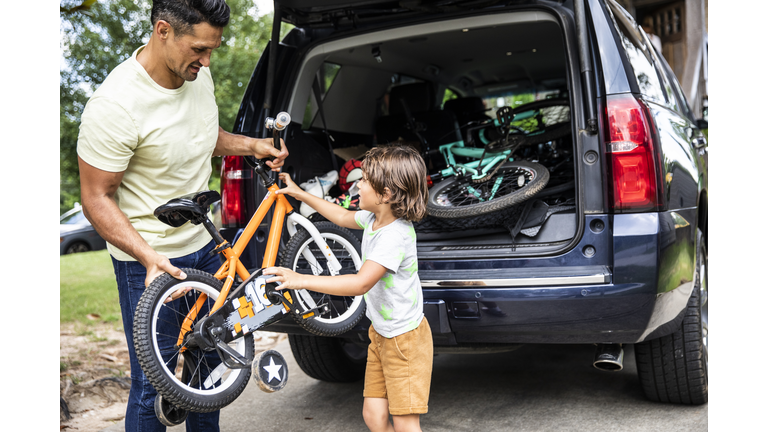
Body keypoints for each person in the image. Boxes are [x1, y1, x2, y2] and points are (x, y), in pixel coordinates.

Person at [76, 1, 288, 430]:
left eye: (212, 50)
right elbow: (96, 198)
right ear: (163, 31)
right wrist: (148, 257)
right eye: (199, 49)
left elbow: (204, 136)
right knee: (156, 386)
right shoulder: (115, 105)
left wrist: (254, 146)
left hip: (206, 248)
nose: (207, 61)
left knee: (209, 374)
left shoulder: (197, 73)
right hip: (148, 261)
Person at [264, 145, 433, 432]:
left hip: (405, 341)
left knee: (405, 425)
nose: (357, 184)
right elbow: (342, 216)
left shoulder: (394, 236)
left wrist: (300, 279)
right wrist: (300, 193)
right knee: (374, 417)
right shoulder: (374, 219)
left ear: (387, 194)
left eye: (364, 181)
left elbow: (360, 283)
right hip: (381, 334)